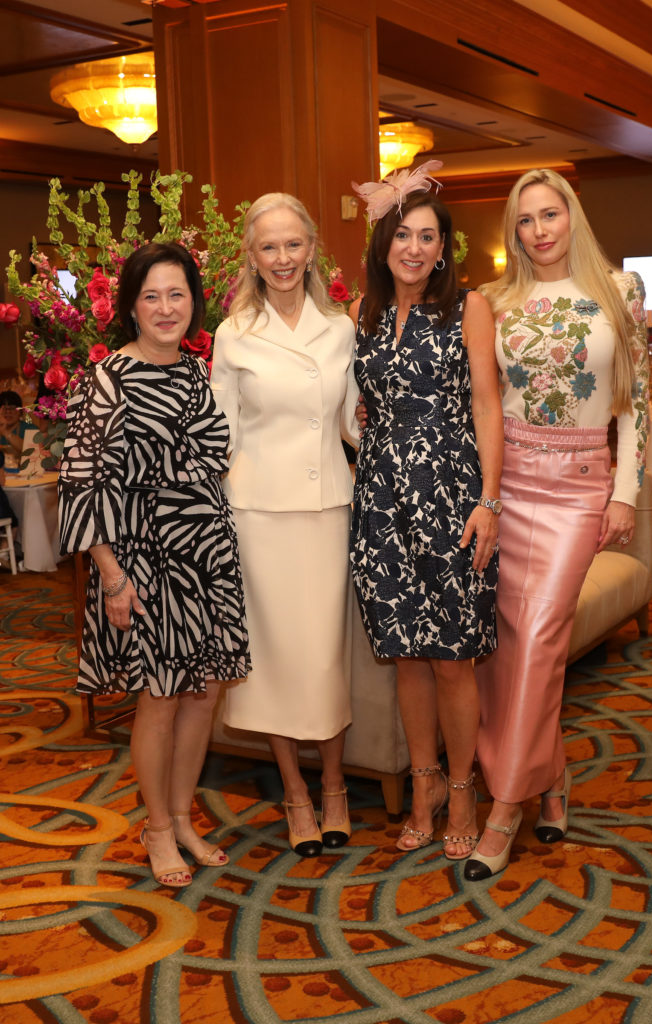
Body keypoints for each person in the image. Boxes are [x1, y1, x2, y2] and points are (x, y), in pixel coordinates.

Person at [466, 168, 649, 881]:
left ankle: (504, 806)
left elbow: (633, 401)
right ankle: (552, 773)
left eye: (550, 214)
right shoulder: (494, 301)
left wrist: (624, 493)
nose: (539, 230)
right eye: (525, 219)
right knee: (506, 649)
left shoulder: (619, 290)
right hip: (508, 486)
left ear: (572, 216)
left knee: (541, 636)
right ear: (512, 231)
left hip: (578, 490)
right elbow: (479, 401)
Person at [59, 242, 251, 888]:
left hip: (206, 551)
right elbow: (81, 483)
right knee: (161, 696)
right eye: (151, 296)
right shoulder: (106, 378)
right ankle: (158, 828)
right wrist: (112, 576)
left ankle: (183, 816)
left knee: (203, 692)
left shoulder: (197, 372)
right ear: (131, 306)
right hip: (142, 560)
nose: (166, 308)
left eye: (177, 294)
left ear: (194, 301)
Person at [350, 164, 503, 860]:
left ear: (443, 249)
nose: (413, 248)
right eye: (402, 235)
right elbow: (360, 405)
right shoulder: (364, 312)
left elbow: (486, 406)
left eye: (427, 237)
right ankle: (424, 786)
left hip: (450, 495)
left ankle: (463, 789)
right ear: (383, 244)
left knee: (451, 659)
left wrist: (488, 501)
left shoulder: (467, 307)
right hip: (381, 498)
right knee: (406, 655)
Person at [211, 193, 359, 857]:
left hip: (325, 507)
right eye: (268, 246)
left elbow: (353, 424)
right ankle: (296, 792)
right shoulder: (233, 333)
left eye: (292, 244)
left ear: (312, 248)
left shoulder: (340, 327)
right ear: (251, 255)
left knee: (323, 655)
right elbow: (220, 434)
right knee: (270, 658)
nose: (281, 258)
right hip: (257, 513)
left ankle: (334, 784)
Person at [0, 390, 27, 472]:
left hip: (23, 473)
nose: (8, 412)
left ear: (20, 411)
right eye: (4, 408)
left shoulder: (29, 428)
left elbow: (29, 451)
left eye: (12, 408)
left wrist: (6, 432)